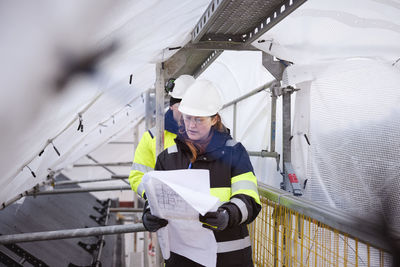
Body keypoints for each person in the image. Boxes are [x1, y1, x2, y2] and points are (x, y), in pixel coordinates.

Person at [142, 79, 262, 267]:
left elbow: (249, 199)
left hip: (229, 259)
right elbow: (155, 199)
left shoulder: (234, 152)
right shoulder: (167, 158)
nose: (191, 125)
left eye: (199, 119)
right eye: (188, 117)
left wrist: (227, 215)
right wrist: (149, 215)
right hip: (183, 259)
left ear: (214, 119)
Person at [128, 75, 195, 198]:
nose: (187, 112)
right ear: (171, 106)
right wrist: (154, 196)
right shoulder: (153, 137)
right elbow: (137, 176)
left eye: (191, 106)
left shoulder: (208, 135)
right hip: (165, 210)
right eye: (181, 106)